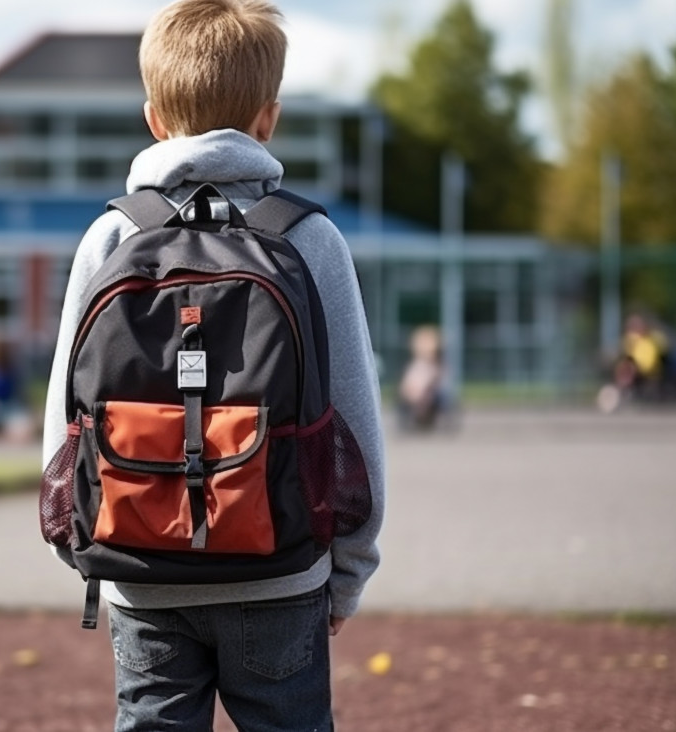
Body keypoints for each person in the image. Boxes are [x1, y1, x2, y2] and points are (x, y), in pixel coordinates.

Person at [41, 2, 385, 729]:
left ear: (153, 119)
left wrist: (84, 544)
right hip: (279, 567)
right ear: (268, 120)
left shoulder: (112, 236)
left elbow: (64, 416)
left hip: (139, 565)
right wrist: (347, 572)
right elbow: (354, 416)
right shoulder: (309, 238)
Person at [397, 325, 446, 430]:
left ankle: (421, 411)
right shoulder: (415, 365)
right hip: (415, 393)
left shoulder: (434, 366)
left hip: (425, 394)